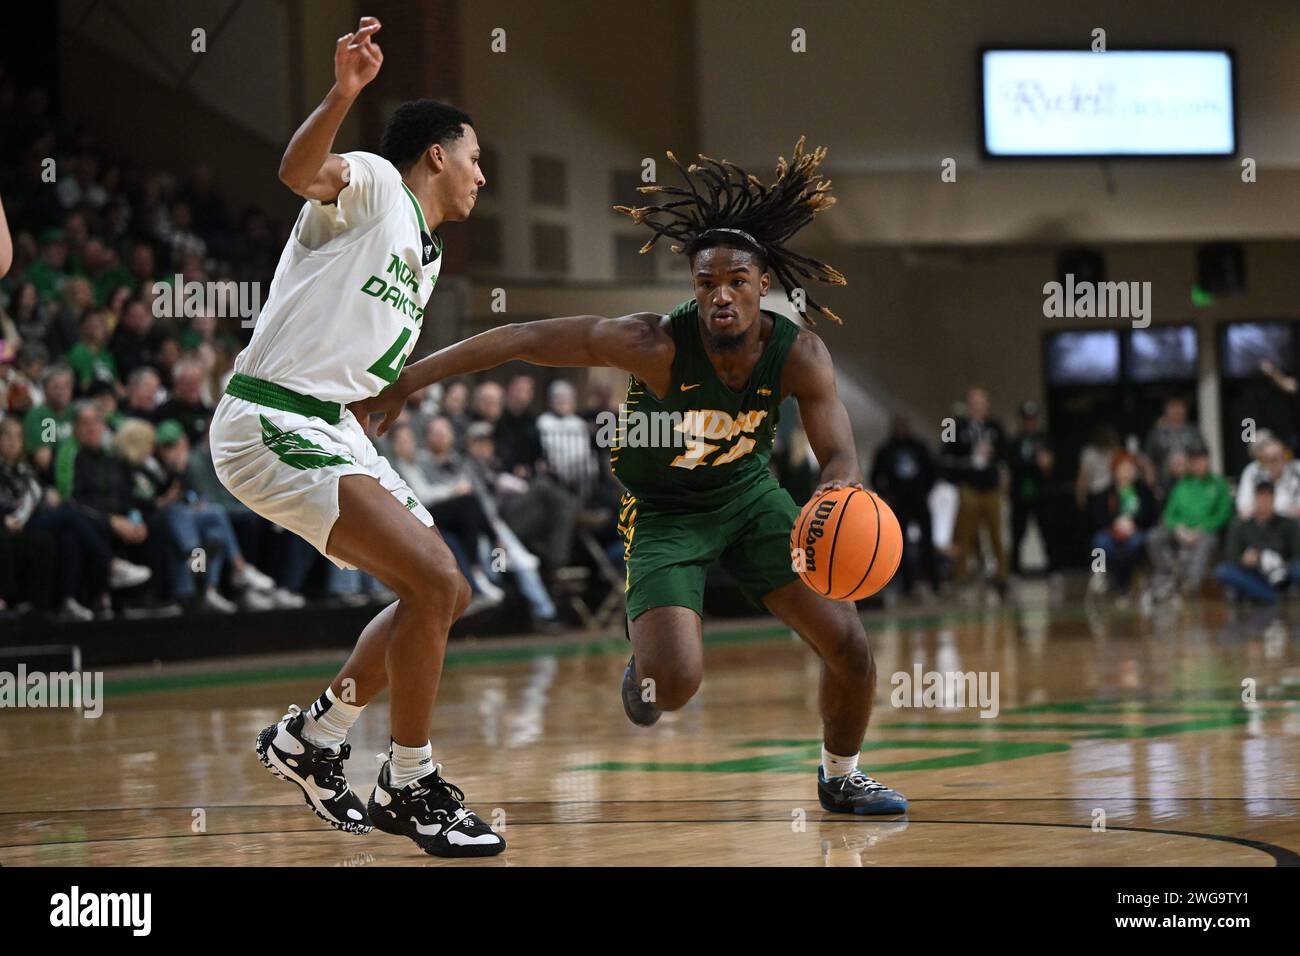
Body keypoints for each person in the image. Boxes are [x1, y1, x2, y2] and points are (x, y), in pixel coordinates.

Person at [354, 138, 908, 815]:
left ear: (764, 283)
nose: (722, 296)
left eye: (737, 281)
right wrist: (408, 379)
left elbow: (840, 456)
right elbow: (525, 337)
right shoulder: (654, 343)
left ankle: (841, 776)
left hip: (750, 499)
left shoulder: (802, 355)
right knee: (671, 687)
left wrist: (837, 490)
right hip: (665, 512)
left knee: (849, 643)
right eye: (707, 284)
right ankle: (644, 661)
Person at [207, 17, 502, 857]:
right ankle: (408, 781)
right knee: (436, 574)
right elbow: (299, 170)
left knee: (441, 593)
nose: (483, 174)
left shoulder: (429, 254)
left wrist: (386, 394)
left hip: (329, 424)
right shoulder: (375, 183)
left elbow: (358, 353)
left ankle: (313, 736)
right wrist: (344, 94)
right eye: (474, 156)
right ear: (436, 155)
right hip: (269, 416)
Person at [943, 387, 1009, 597]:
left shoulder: (995, 427)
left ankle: (1002, 576)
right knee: (965, 533)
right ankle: (960, 575)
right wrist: (966, 461)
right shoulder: (955, 425)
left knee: (996, 533)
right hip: (969, 486)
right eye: (973, 403)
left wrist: (994, 455)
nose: (977, 407)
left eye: (980, 403)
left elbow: (1006, 451)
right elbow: (945, 454)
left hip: (991, 487)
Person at [1146, 445, 1233, 600]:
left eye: (1201, 460)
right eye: (1194, 461)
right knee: (1154, 536)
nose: (1198, 464)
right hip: (1180, 531)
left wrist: (1203, 528)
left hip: (1206, 531)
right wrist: (1178, 528)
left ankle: (1191, 584)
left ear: (1208, 460)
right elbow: (1168, 515)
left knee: (1205, 542)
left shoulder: (1219, 484)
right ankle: (1165, 576)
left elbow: (1224, 514)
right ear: (1189, 463)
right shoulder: (1181, 485)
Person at [869, 414, 939, 597]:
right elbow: (875, 476)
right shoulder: (885, 450)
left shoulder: (919, 447)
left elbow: (933, 470)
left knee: (927, 542)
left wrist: (926, 491)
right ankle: (906, 585)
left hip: (919, 500)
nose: (900, 429)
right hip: (899, 503)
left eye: (903, 426)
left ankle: (933, 581)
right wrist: (886, 495)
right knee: (900, 545)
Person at [1215, 481, 1300, 603]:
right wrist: (1244, 560)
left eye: (1268, 499)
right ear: (1254, 500)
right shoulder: (1240, 527)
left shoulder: (1288, 524)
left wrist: (1282, 563)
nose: (1264, 504)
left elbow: (1297, 552)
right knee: (1223, 571)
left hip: (1282, 571)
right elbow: (1231, 556)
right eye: (1261, 499)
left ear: (1273, 500)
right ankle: (1273, 596)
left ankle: (1264, 595)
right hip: (1254, 574)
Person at [1089, 455, 1157, 598]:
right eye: (1123, 469)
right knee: (1099, 541)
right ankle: (1099, 573)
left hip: (1136, 531)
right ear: (1115, 471)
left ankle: (1125, 580)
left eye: (1130, 469)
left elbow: (1151, 515)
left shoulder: (1143, 491)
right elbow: (1099, 517)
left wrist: (1133, 523)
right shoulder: (1106, 492)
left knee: (1137, 543)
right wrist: (1116, 523)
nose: (1126, 473)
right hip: (1112, 531)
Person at [1236, 437, 1300, 519]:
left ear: (1285, 457)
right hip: (1261, 523)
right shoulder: (1252, 471)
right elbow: (1243, 507)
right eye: (1266, 459)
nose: (1270, 464)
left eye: (1275, 459)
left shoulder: (1297, 469)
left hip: (1292, 523)